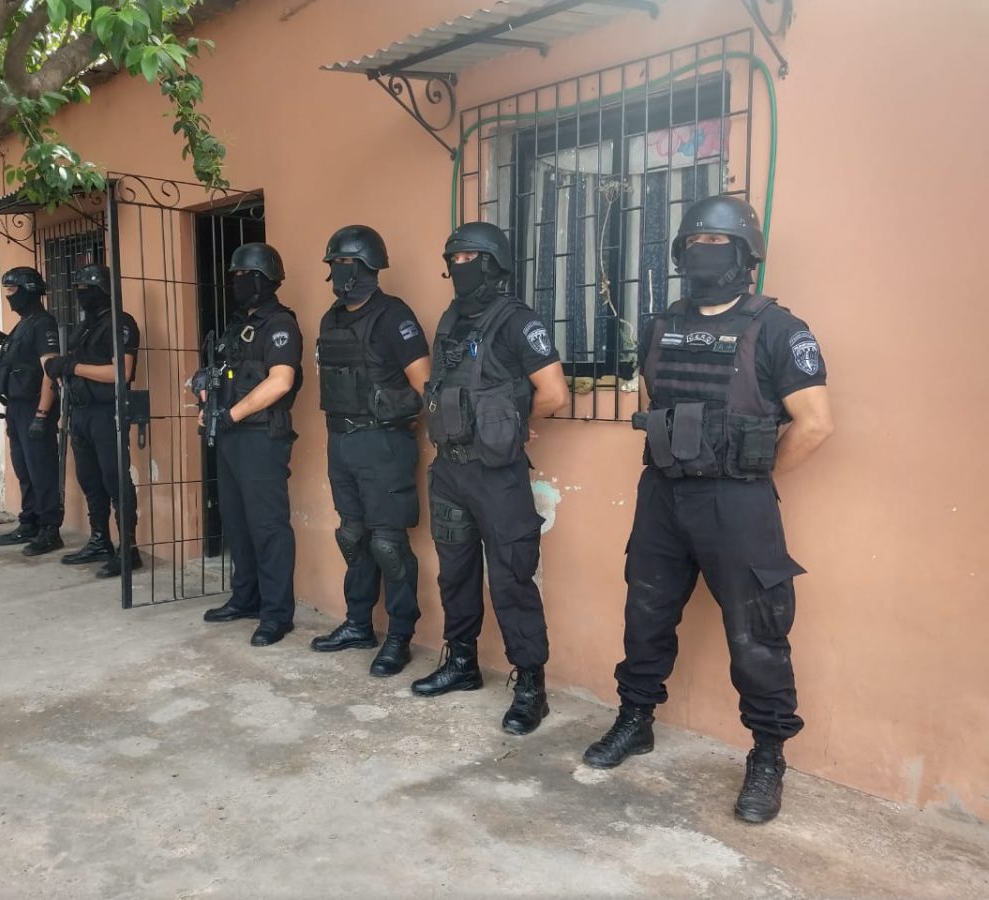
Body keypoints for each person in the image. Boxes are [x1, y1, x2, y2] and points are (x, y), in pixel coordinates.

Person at [581, 195, 834, 825]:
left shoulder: (779, 328)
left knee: (757, 632)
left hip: (737, 501)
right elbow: (658, 398)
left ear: (746, 255)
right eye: (695, 242)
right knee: (645, 613)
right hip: (663, 494)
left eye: (718, 243)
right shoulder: (660, 326)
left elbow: (815, 423)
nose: (704, 253)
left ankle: (768, 755)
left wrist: (752, 473)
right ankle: (635, 719)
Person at [411, 222, 570, 736]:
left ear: (493, 264)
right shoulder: (451, 318)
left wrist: (512, 425)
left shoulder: (518, 321)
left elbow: (554, 393)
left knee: (511, 577)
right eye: (453, 259)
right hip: (450, 469)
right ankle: (462, 663)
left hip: (497, 475)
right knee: (455, 573)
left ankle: (531, 687)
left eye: (468, 258)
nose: (459, 267)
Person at [311, 225, 430, 677]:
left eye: (345, 263)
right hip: (340, 440)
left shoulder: (394, 316)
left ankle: (400, 636)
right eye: (334, 264)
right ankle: (358, 623)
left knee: (388, 544)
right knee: (353, 536)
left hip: (382, 444)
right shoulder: (331, 319)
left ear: (367, 267)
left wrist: (398, 419)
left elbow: (425, 386)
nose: (338, 272)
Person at [197, 243, 303, 647]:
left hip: (261, 437)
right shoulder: (236, 327)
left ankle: (276, 614)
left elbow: (281, 381)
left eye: (246, 276)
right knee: (237, 523)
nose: (238, 282)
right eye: (235, 276)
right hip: (230, 436)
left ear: (264, 279)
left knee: (268, 526)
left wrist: (231, 415)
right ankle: (245, 598)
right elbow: (223, 374)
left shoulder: (280, 324)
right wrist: (207, 400)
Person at [43, 263, 141, 579]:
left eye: (88, 289)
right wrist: (60, 369)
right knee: (90, 480)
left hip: (107, 412)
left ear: (104, 290)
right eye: (79, 289)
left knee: (116, 480)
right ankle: (100, 541)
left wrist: (72, 367)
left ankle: (129, 549)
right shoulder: (84, 327)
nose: (82, 295)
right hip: (81, 412)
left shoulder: (121, 323)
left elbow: (121, 372)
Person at [0, 266, 64, 556]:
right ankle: (30, 521)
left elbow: (51, 371)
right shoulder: (23, 324)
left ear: (29, 290)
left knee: (41, 469)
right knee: (24, 468)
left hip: (35, 406)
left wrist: (42, 414)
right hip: (17, 407)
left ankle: (49, 529)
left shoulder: (43, 324)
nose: (9, 297)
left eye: (13, 290)